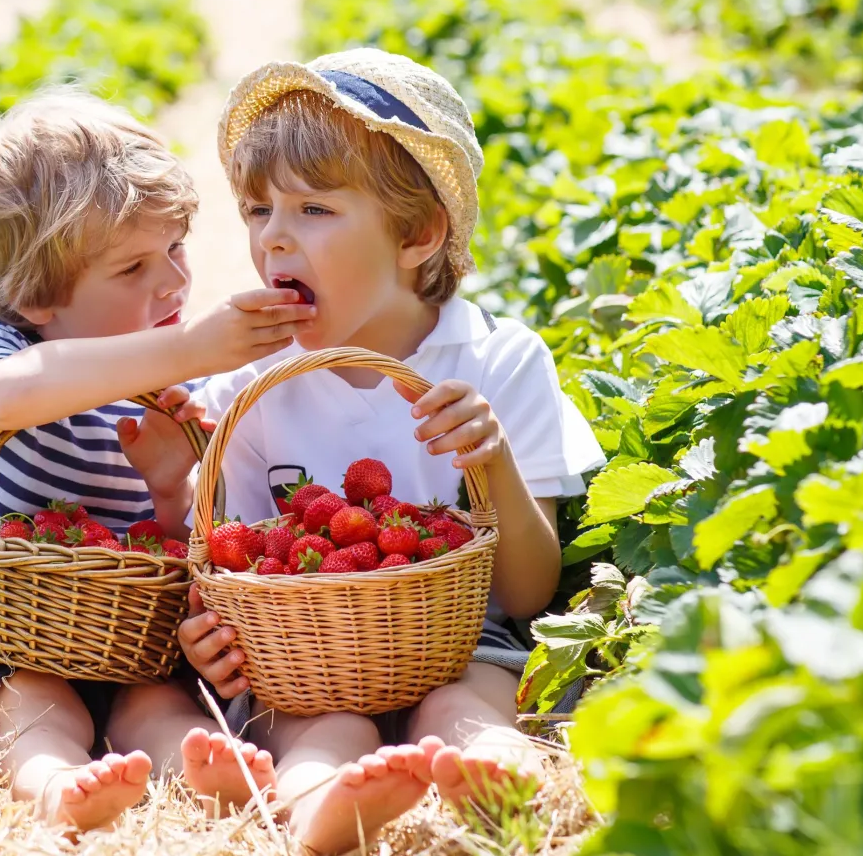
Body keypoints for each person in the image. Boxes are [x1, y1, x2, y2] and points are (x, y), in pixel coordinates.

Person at [158, 49, 604, 853]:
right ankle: (316, 804)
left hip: (463, 642)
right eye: (259, 212)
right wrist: (210, 629)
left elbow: (530, 592)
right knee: (317, 726)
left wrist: (491, 459)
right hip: (309, 663)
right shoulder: (251, 391)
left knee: (466, 704)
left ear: (419, 233)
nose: (275, 241)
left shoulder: (500, 365)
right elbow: (241, 572)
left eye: (314, 210)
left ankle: (498, 777)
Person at [0, 90, 309, 833]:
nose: (175, 283)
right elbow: (5, 397)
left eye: (177, 248)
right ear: (36, 295)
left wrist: (167, 487)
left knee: (157, 703)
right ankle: (55, 782)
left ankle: (200, 769)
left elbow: (167, 543)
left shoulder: (160, 387)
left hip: (122, 639)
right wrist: (186, 349)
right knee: (32, 701)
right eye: (131, 269)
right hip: (2, 629)